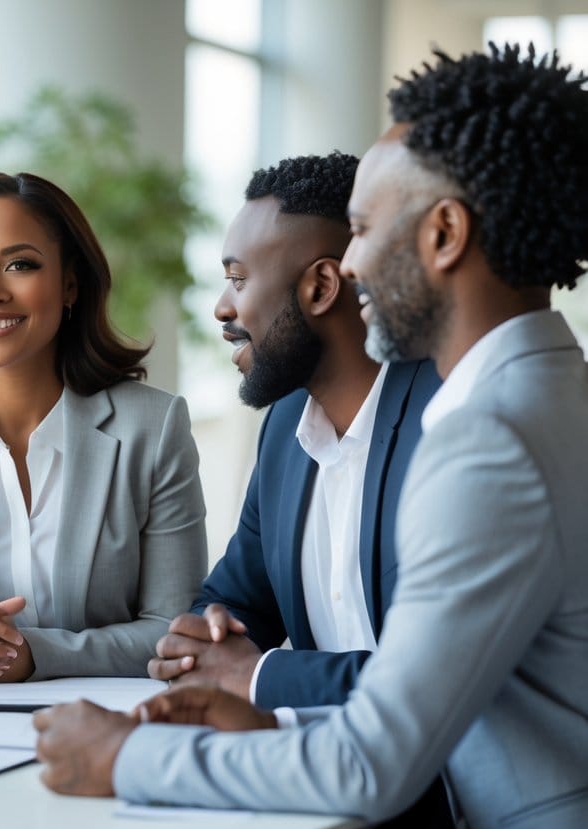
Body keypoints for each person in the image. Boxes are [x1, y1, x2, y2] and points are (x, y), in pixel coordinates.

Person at [33, 44, 588, 829]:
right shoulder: (551, 390)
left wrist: (121, 755)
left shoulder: (488, 440)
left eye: (362, 229)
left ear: (443, 235)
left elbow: (367, 763)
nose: (351, 265)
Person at [0, 172, 207, 683]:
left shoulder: (153, 428)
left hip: (105, 727)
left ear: (70, 283)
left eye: (20, 265)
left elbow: (174, 629)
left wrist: (37, 655)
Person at [151, 153, 441, 709]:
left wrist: (256, 677)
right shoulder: (286, 426)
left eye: (238, 279)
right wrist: (201, 640)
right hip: (305, 766)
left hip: (443, 786)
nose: (221, 307)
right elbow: (234, 598)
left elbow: (435, 676)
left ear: (321, 286)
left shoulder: (447, 422)